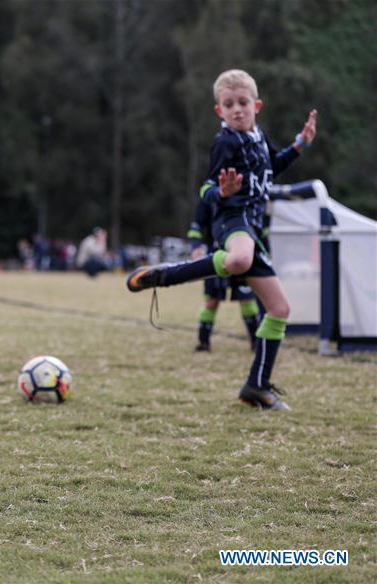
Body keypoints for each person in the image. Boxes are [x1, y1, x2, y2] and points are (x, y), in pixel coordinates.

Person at [127, 69, 317, 411]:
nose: (237, 109)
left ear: (257, 105)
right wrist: (222, 192)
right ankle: (165, 275)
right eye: (229, 105)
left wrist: (300, 145)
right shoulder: (225, 142)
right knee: (239, 260)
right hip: (232, 219)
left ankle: (257, 387)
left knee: (279, 310)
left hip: (253, 228)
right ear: (219, 111)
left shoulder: (259, 136)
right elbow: (205, 189)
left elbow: (273, 166)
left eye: (243, 102)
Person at [186, 198, 260, 352]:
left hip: (241, 255)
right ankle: (203, 343)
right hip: (215, 256)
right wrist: (195, 247)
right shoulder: (208, 195)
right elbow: (196, 226)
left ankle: (256, 343)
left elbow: (258, 226)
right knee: (211, 301)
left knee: (247, 300)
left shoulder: (246, 194)